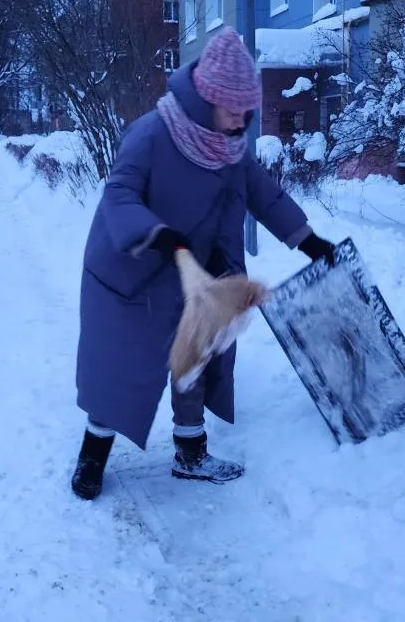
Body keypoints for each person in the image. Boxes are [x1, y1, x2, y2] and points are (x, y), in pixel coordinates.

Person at [70, 27, 336, 501]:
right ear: (207, 99)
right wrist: (158, 233)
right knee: (119, 367)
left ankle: (191, 455)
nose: (241, 122)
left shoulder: (231, 148)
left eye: (246, 111)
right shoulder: (152, 134)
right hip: (137, 268)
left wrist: (308, 241)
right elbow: (120, 193)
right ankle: (92, 457)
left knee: (193, 363)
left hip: (200, 277)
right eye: (234, 110)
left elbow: (265, 195)